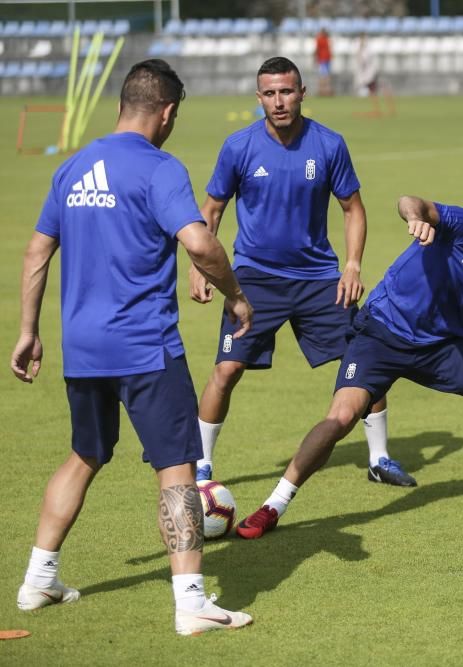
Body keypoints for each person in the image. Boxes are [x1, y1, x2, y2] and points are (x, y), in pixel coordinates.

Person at [11, 59, 254, 635]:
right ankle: (191, 601)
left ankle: (38, 579)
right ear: (167, 112)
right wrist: (237, 296)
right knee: (177, 466)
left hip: (83, 347)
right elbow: (202, 243)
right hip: (146, 345)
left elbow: (36, 253)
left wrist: (28, 331)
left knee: (85, 454)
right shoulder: (159, 167)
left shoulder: (71, 167)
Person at [236, 182, 463, 539]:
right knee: (340, 418)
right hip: (383, 333)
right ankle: (273, 505)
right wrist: (416, 217)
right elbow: (411, 201)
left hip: (443, 346)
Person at [189, 57, 412, 488]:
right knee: (227, 370)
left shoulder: (329, 145)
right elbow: (211, 210)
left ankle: (380, 458)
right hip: (254, 278)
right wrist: (201, 267)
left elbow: (353, 209)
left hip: (318, 278)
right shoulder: (239, 146)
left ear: (303, 93)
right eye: (270, 94)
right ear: (259, 98)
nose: (279, 101)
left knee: (366, 358)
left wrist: (351, 265)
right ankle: (201, 465)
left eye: (287, 91)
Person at [353, 34, 395, 117]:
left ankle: (388, 109)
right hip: (371, 73)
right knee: (374, 90)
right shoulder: (365, 49)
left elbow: (363, 61)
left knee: (379, 88)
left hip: (373, 73)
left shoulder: (367, 49)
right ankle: (380, 109)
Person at [315, 28, 333, 97]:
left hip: (323, 60)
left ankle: (323, 91)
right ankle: (325, 91)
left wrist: (315, 58)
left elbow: (317, 49)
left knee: (323, 76)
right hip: (325, 59)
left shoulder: (320, 39)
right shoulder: (326, 39)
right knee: (326, 76)